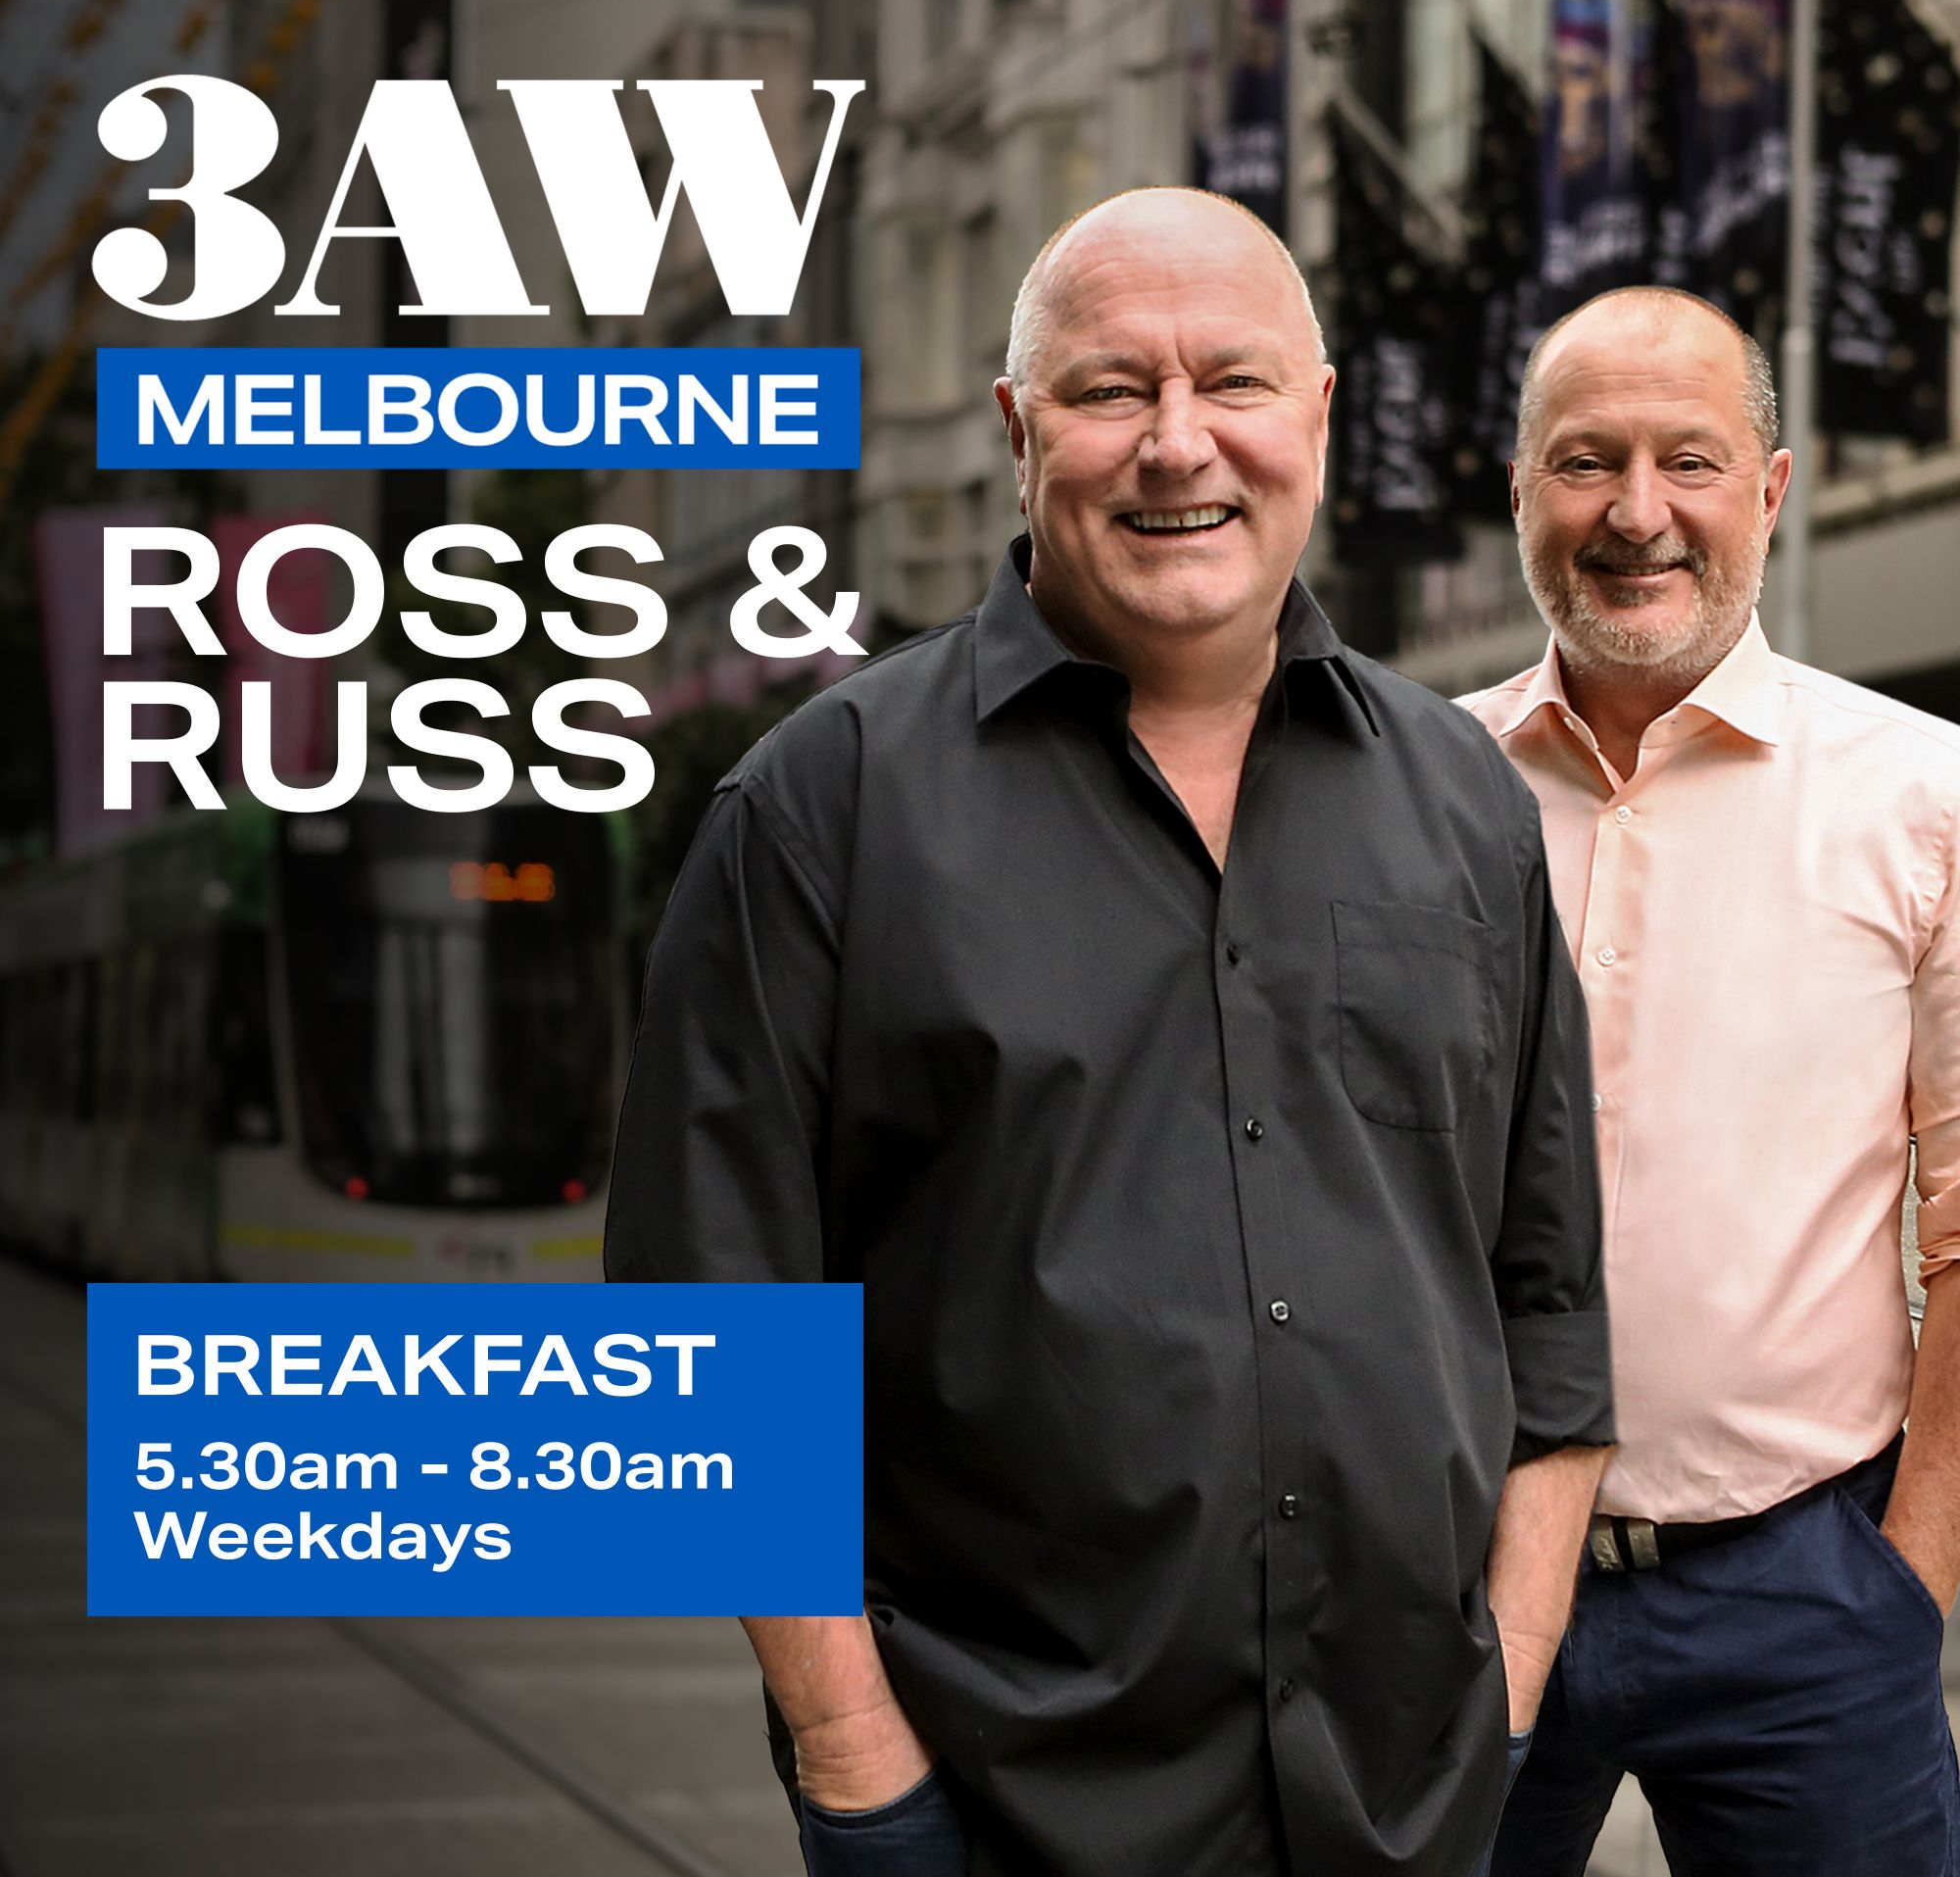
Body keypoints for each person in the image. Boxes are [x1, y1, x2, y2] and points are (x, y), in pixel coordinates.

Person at [606, 186, 1613, 1876]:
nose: (1175, 446)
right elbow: (711, 1340)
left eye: (1230, 382)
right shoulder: (824, 806)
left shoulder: (1467, 806)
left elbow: (1550, 1288)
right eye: (1107, 391)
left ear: (1319, 416)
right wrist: (855, 1750)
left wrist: (1506, 1679)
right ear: (1020, 428)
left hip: (1410, 1801)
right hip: (990, 1809)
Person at [1463, 285, 1960, 1875]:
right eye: (1583, 462)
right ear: (1521, 490)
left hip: (1804, 1593)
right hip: (1455, 1587)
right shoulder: (1408, 794)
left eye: (1689, 459)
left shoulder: (1924, 799)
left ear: (1773, 487)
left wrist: (1913, 1581)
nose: (1636, 513)